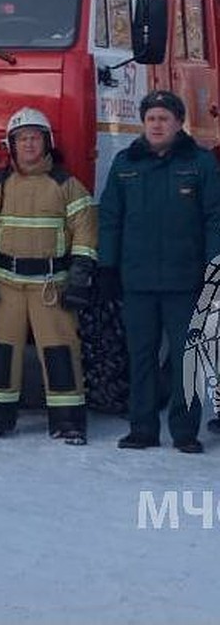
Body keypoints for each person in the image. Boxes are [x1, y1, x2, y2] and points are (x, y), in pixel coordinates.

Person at [0, 107, 96, 444]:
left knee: (61, 352)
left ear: (47, 142)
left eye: (35, 138)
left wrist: (81, 274)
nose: (29, 145)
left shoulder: (67, 185)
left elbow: (85, 233)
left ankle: (68, 422)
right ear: (11, 144)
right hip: (6, 283)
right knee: (2, 352)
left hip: (51, 286)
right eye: (22, 139)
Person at [98, 89, 220, 453]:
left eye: (164, 118)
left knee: (188, 358)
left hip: (186, 283)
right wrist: (107, 266)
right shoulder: (125, 164)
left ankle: (184, 432)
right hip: (137, 282)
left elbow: (215, 219)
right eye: (151, 118)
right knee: (141, 356)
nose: (156, 124)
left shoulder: (200, 164)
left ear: (178, 124)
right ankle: (143, 428)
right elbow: (110, 219)